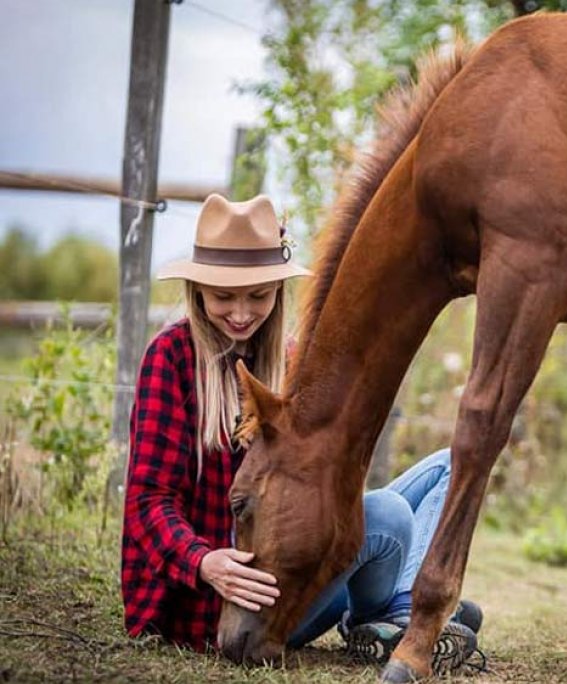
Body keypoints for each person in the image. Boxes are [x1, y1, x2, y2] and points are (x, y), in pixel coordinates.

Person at [120, 194, 481, 672]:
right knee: (390, 515)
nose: (242, 312)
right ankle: (395, 612)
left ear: (278, 292)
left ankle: (392, 608)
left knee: (449, 466)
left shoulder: (293, 365)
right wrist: (205, 562)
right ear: (197, 289)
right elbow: (148, 500)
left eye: (259, 295)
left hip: (288, 579)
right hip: (224, 604)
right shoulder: (171, 358)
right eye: (224, 296)